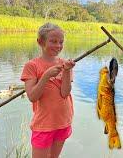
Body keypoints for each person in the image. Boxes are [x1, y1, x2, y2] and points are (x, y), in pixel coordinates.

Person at [20, 23, 75, 158]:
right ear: (40, 42)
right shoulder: (32, 66)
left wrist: (67, 71)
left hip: (63, 120)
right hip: (43, 124)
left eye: (61, 42)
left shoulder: (64, 64)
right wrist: (46, 76)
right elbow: (32, 96)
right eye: (53, 41)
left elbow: (65, 93)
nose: (58, 46)